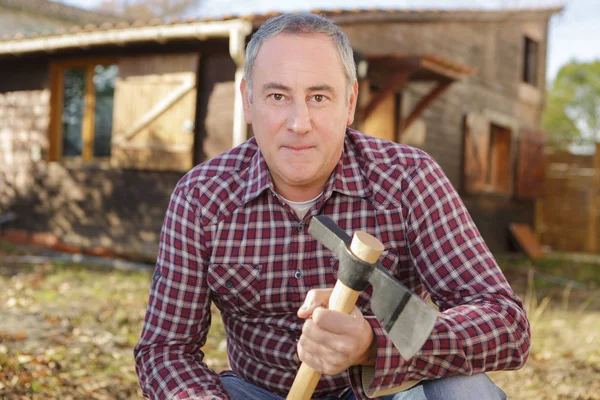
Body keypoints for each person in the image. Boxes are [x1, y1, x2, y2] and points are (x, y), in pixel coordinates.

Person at [134, 12, 530, 400]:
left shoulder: (409, 178)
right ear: (248, 102)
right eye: (277, 96)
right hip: (256, 392)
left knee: (466, 392)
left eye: (319, 97)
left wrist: (373, 344)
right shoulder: (203, 196)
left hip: (384, 393)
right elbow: (165, 349)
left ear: (350, 102)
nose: (299, 122)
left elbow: (506, 325)